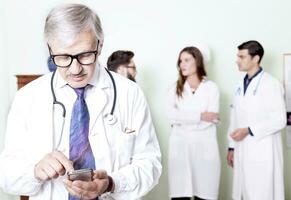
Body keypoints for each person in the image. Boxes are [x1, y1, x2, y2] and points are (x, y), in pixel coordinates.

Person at [0, 3, 162, 200]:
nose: (75, 69)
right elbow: (7, 175)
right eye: (63, 57)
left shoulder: (130, 93)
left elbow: (150, 165)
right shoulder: (27, 98)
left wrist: (111, 183)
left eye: (85, 55)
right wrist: (34, 171)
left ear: (100, 45)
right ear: (50, 49)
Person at [227, 40, 286, 200]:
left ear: (256, 58)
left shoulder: (271, 84)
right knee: (244, 191)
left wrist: (249, 130)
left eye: (242, 56)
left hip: (263, 149)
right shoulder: (240, 85)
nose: (237, 60)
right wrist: (231, 147)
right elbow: (235, 117)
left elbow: (280, 119)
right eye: (237, 56)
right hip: (242, 148)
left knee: (261, 192)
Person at [166, 46, 221, 200]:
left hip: (204, 148)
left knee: (205, 193)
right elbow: (171, 115)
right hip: (180, 148)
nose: (182, 64)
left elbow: (213, 119)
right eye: (180, 61)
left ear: (197, 61)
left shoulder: (212, 88)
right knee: (180, 193)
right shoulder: (174, 89)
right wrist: (200, 115)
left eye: (187, 60)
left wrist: (183, 119)